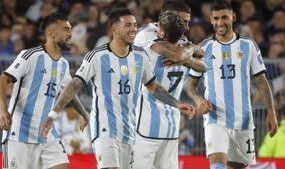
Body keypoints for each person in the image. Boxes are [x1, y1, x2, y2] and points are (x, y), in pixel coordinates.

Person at [40, 8, 195, 169]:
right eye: (128, 25)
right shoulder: (97, 56)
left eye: (135, 25)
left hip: (130, 133)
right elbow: (73, 85)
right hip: (104, 129)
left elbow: (154, 87)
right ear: (114, 29)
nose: (134, 29)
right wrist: (53, 114)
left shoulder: (140, 56)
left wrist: (177, 104)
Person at [185, 1, 278, 169]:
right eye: (216, 18)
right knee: (218, 165)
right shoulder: (203, 49)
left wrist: (271, 111)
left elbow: (261, 81)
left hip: (243, 121)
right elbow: (190, 85)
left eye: (224, 17)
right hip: (215, 119)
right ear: (211, 20)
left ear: (233, 17)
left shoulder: (248, 46)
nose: (220, 22)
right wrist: (199, 100)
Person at [0, 13, 89, 169]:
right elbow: (2, 80)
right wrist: (3, 111)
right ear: (51, 33)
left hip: (46, 134)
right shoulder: (30, 56)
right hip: (19, 134)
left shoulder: (63, 64)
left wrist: (84, 114)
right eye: (65, 29)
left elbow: (69, 93)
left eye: (70, 29)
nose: (70, 34)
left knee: (62, 165)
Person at [133, 10, 207, 169]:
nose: (156, 27)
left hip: (146, 125)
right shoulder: (184, 47)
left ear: (163, 33)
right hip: (171, 126)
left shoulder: (150, 45)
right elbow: (202, 64)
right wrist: (187, 54)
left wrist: (184, 55)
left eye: (158, 26)